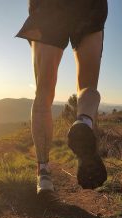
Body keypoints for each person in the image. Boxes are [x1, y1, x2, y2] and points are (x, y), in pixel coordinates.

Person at [16, 0, 108, 195]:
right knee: (87, 86)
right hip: (89, 6)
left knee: (43, 94)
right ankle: (83, 122)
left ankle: (44, 173)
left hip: (49, 7)